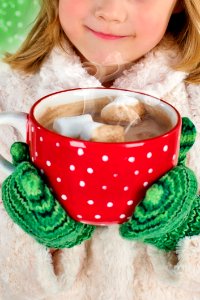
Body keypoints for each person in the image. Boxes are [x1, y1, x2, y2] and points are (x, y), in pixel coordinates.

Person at [0, 0, 200, 299]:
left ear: (179, 5)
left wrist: (181, 229)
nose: (110, 12)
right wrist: (39, 236)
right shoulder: (8, 91)